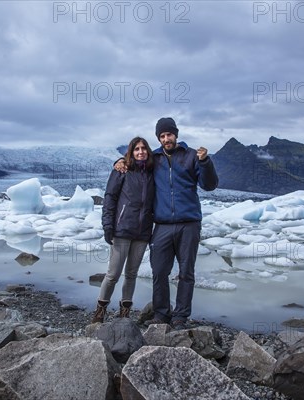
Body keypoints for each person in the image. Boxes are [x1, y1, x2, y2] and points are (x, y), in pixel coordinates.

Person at [116, 117, 219, 330]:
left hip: (189, 223)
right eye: (162, 136)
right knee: (159, 271)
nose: (166, 139)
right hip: (162, 224)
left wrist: (205, 162)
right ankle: (162, 313)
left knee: (186, 272)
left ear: (176, 134)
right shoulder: (154, 159)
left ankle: (181, 315)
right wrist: (118, 161)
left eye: (168, 135)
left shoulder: (191, 156)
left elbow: (209, 185)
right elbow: (135, 161)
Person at [92, 136, 155, 323]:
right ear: (131, 152)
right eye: (136, 149)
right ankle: (100, 311)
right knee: (113, 275)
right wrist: (107, 226)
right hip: (122, 229)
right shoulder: (123, 170)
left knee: (131, 274)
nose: (141, 152)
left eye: (144, 148)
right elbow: (110, 198)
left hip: (142, 233)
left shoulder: (152, 172)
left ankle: (124, 313)